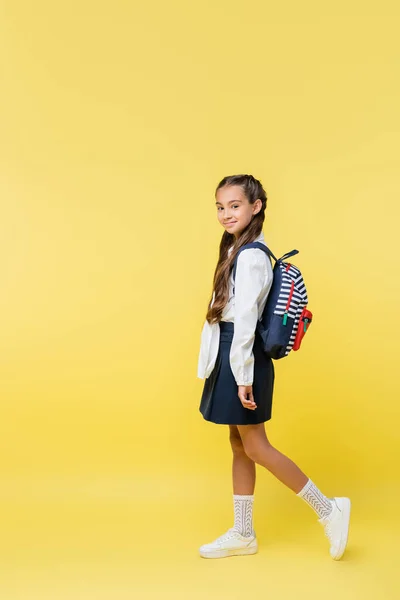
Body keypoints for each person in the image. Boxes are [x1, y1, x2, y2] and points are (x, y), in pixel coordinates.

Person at [197, 174, 351, 560]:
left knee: (255, 445)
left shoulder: (250, 257)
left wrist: (243, 377)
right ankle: (244, 533)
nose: (226, 213)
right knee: (239, 443)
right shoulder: (239, 249)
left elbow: (246, 319)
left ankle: (328, 509)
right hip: (233, 352)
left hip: (241, 354)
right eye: (220, 206)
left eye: (234, 205)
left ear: (256, 206)